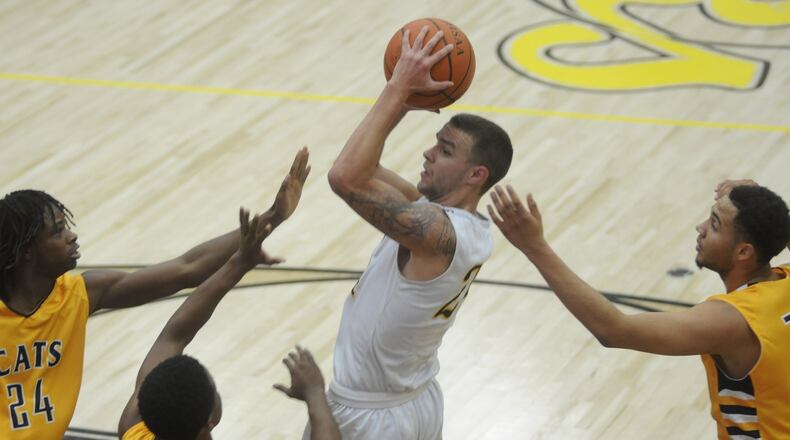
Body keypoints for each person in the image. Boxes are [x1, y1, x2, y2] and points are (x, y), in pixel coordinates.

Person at [0, 148, 309, 439]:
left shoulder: (79, 294)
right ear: (27, 252)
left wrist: (272, 216)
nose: (72, 235)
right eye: (57, 231)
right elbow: (175, 334)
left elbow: (187, 269)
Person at [487, 181, 790, 439]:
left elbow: (614, 330)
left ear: (744, 252)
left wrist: (535, 247)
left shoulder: (733, 320)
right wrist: (759, 202)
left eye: (714, 224)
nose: (699, 229)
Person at [324, 27, 513, 439]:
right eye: (435, 143)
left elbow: (345, 177)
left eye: (445, 151)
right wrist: (407, 102)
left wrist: (397, 88)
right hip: (410, 399)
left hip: (374, 417)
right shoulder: (449, 219)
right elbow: (364, 166)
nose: (428, 154)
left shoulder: (435, 234)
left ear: (475, 175)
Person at [118, 206, 340, 440]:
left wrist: (239, 263)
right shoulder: (133, 425)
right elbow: (174, 335)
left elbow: (174, 335)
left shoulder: (133, 430)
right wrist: (316, 395)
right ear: (209, 422)